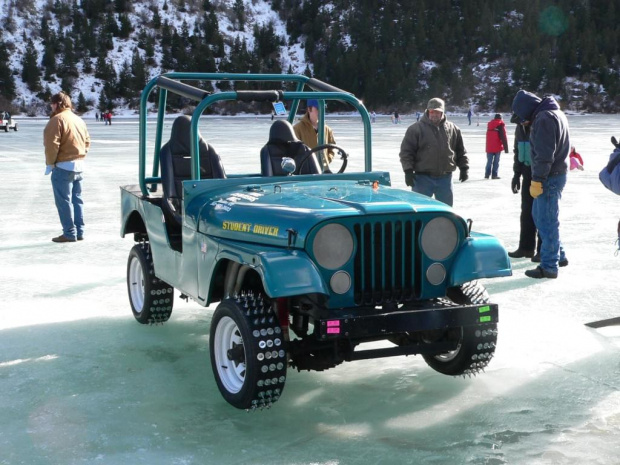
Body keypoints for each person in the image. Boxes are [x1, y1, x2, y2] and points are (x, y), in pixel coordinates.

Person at [512, 90, 570, 279]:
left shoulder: (544, 119)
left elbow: (544, 155)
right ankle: (559, 255)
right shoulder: (554, 113)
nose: (522, 121)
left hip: (549, 176)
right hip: (556, 173)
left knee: (545, 221)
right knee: (545, 217)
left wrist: (537, 180)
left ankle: (549, 266)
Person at [399, 97, 469, 207]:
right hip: (422, 179)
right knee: (420, 211)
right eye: (431, 111)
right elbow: (406, 152)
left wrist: (464, 167)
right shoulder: (415, 129)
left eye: (437, 111)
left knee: (446, 212)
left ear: (442, 112)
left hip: (445, 179)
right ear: (427, 111)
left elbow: (460, 150)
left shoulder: (453, 128)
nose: (433, 114)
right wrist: (408, 171)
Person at [44, 91, 91, 243]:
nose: (51, 107)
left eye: (52, 104)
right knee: (77, 200)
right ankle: (80, 231)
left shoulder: (57, 120)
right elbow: (87, 141)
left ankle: (70, 233)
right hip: (79, 165)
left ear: (57, 104)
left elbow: (52, 144)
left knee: (64, 201)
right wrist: (81, 155)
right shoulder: (78, 120)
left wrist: (50, 163)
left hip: (63, 166)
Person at [508, 115, 540, 259]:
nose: (521, 122)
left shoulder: (540, 124)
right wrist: (516, 174)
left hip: (541, 174)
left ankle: (543, 251)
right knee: (526, 212)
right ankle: (526, 248)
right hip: (527, 172)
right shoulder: (520, 127)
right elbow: (517, 150)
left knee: (542, 213)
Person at [293, 99, 336, 169]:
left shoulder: (327, 129)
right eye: (318, 109)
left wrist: (326, 161)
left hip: (323, 172)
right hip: (306, 173)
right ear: (309, 109)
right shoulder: (297, 129)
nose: (321, 112)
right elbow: (294, 152)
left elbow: (331, 149)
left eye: (323, 109)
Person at [485, 113, 509, 179]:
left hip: (489, 147)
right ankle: (494, 175)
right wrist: (506, 148)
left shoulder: (489, 124)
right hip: (497, 146)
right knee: (496, 161)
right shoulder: (500, 125)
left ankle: (487, 175)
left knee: (489, 161)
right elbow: (503, 137)